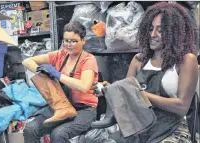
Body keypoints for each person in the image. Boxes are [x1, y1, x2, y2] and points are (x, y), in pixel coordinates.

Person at [92, 2, 198, 143]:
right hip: (140, 126)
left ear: (175, 32)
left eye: (160, 30)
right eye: (150, 29)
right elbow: (128, 94)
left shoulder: (186, 60)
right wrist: (111, 90)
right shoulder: (139, 60)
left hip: (172, 129)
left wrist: (140, 94)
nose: (153, 35)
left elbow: (181, 107)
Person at [22, 21, 99, 143]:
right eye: (66, 40)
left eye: (73, 41)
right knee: (31, 129)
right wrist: (40, 70)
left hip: (84, 109)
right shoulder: (60, 55)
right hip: (60, 105)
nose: (69, 44)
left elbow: (84, 87)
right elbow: (27, 61)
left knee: (58, 134)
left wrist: (58, 75)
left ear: (83, 40)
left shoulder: (88, 60)